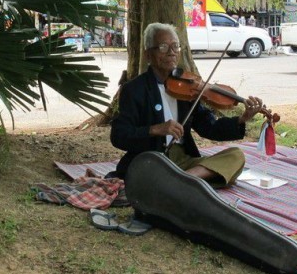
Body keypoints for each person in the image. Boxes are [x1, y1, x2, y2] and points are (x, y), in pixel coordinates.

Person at [110, 22, 268, 187]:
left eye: (175, 46)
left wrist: (242, 119)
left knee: (236, 156)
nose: (172, 52)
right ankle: (185, 183)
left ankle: (181, 180)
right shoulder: (134, 89)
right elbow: (119, 136)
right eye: (163, 47)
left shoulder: (187, 88)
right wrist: (155, 129)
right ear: (148, 54)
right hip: (152, 160)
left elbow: (209, 127)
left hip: (184, 162)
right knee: (147, 174)